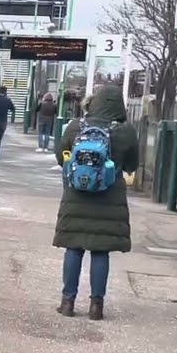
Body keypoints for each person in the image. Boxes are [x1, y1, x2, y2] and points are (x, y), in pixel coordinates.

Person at [53, 85, 139, 321]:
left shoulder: (75, 126)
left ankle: (67, 302)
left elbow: (61, 156)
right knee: (100, 252)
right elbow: (132, 165)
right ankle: (96, 307)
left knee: (74, 247)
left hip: (76, 195)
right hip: (110, 198)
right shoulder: (126, 131)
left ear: (94, 103)